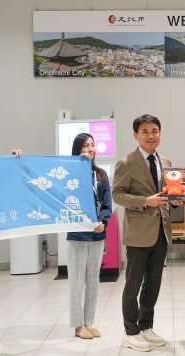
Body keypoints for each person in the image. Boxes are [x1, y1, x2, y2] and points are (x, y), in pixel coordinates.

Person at [112, 114, 172, 352]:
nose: (150, 136)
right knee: (133, 283)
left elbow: (169, 193)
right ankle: (130, 331)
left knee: (153, 284)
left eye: (155, 131)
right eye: (145, 131)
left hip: (161, 231)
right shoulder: (126, 162)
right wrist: (145, 201)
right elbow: (117, 194)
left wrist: (177, 199)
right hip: (138, 233)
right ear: (136, 135)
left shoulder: (165, 161)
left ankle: (146, 326)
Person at [67, 133, 112, 340]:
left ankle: (89, 322)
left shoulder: (101, 175)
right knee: (77, 282)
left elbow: (107, 204)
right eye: (86, 146)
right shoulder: (70, 175)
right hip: (78, 234)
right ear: (78, 150)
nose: (91, 149)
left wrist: (103, 221)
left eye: (93, 145)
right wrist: (81, 168)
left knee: (93, 280)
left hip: (97, 234)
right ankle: (78, 325)